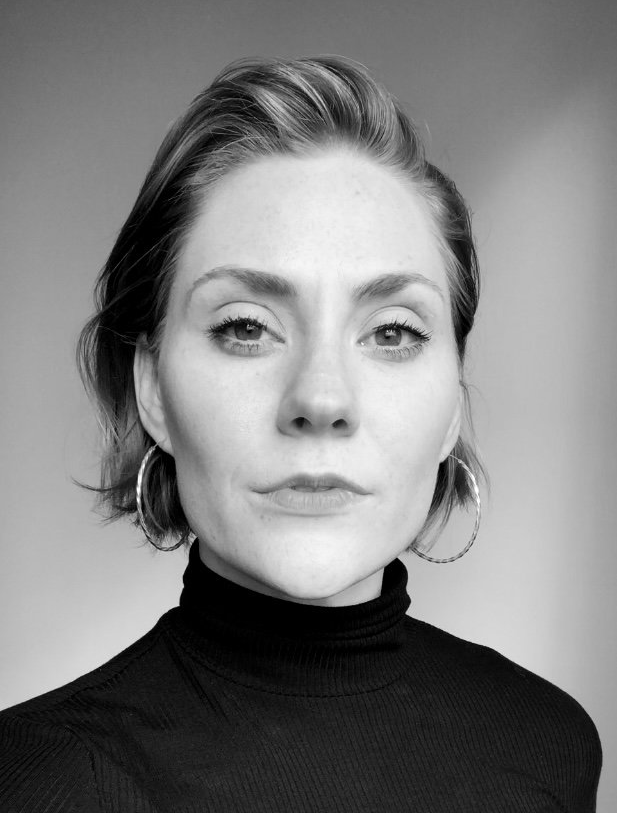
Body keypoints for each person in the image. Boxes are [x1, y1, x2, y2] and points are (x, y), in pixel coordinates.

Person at [0, 56, 601, 812]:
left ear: (453, 398)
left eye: (392, 332)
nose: (320, 399)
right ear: (151, 387)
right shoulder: (33, 784)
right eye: (246, 327)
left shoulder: (548, 744)